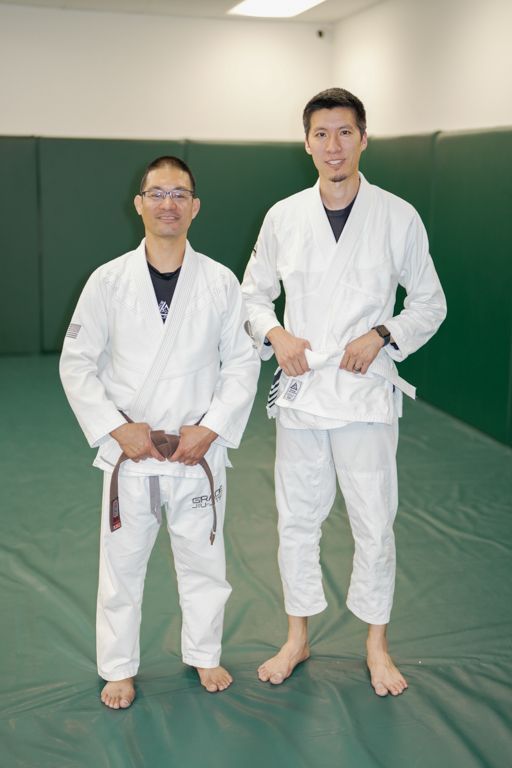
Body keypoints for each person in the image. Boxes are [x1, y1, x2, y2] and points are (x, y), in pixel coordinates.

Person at [241, 88, 446, 697]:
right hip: (304, 392)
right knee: (296, 520)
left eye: (345, 133)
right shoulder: (283, 216)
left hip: (364, 395)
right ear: (307, 143)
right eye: (322, 135)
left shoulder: (398, 215)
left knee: (374, 521)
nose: (334, 146)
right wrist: (276, 334)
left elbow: (431, 304)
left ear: (364, 138)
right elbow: (252, 296)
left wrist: (383, 334)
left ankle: (376, 644)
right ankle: (297, 636)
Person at [60, 155, 260, 709]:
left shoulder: (221, 282)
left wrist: (213, 428)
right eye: (157, 194)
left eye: (179, 194)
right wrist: (116, 429)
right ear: (139, 203)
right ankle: (119, 667)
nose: (168, 204)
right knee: (122, 567)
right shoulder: (107, 281)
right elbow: (76, 362)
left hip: (195, 453)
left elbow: (242, 364)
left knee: (204, 562)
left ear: (194, 207)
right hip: (133, 453)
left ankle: (204, 653)